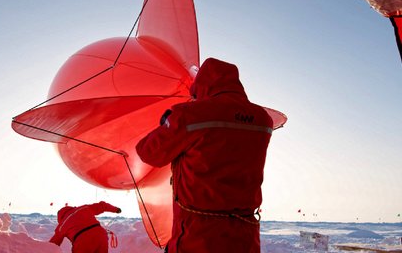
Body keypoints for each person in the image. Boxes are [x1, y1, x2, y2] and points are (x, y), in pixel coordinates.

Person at [136, 57, 274, 253]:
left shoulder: (190, 115)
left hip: (199, 237)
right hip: (246, 237)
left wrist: (167, 121)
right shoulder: (263, 120)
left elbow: (149, 153)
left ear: (201, 85)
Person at [49, 201, 122, 253]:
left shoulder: (62, 225)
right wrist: (115, 209)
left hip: (82, 241)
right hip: (100, 235)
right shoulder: (83, 208)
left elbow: (53, 244)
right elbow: (102, 205)